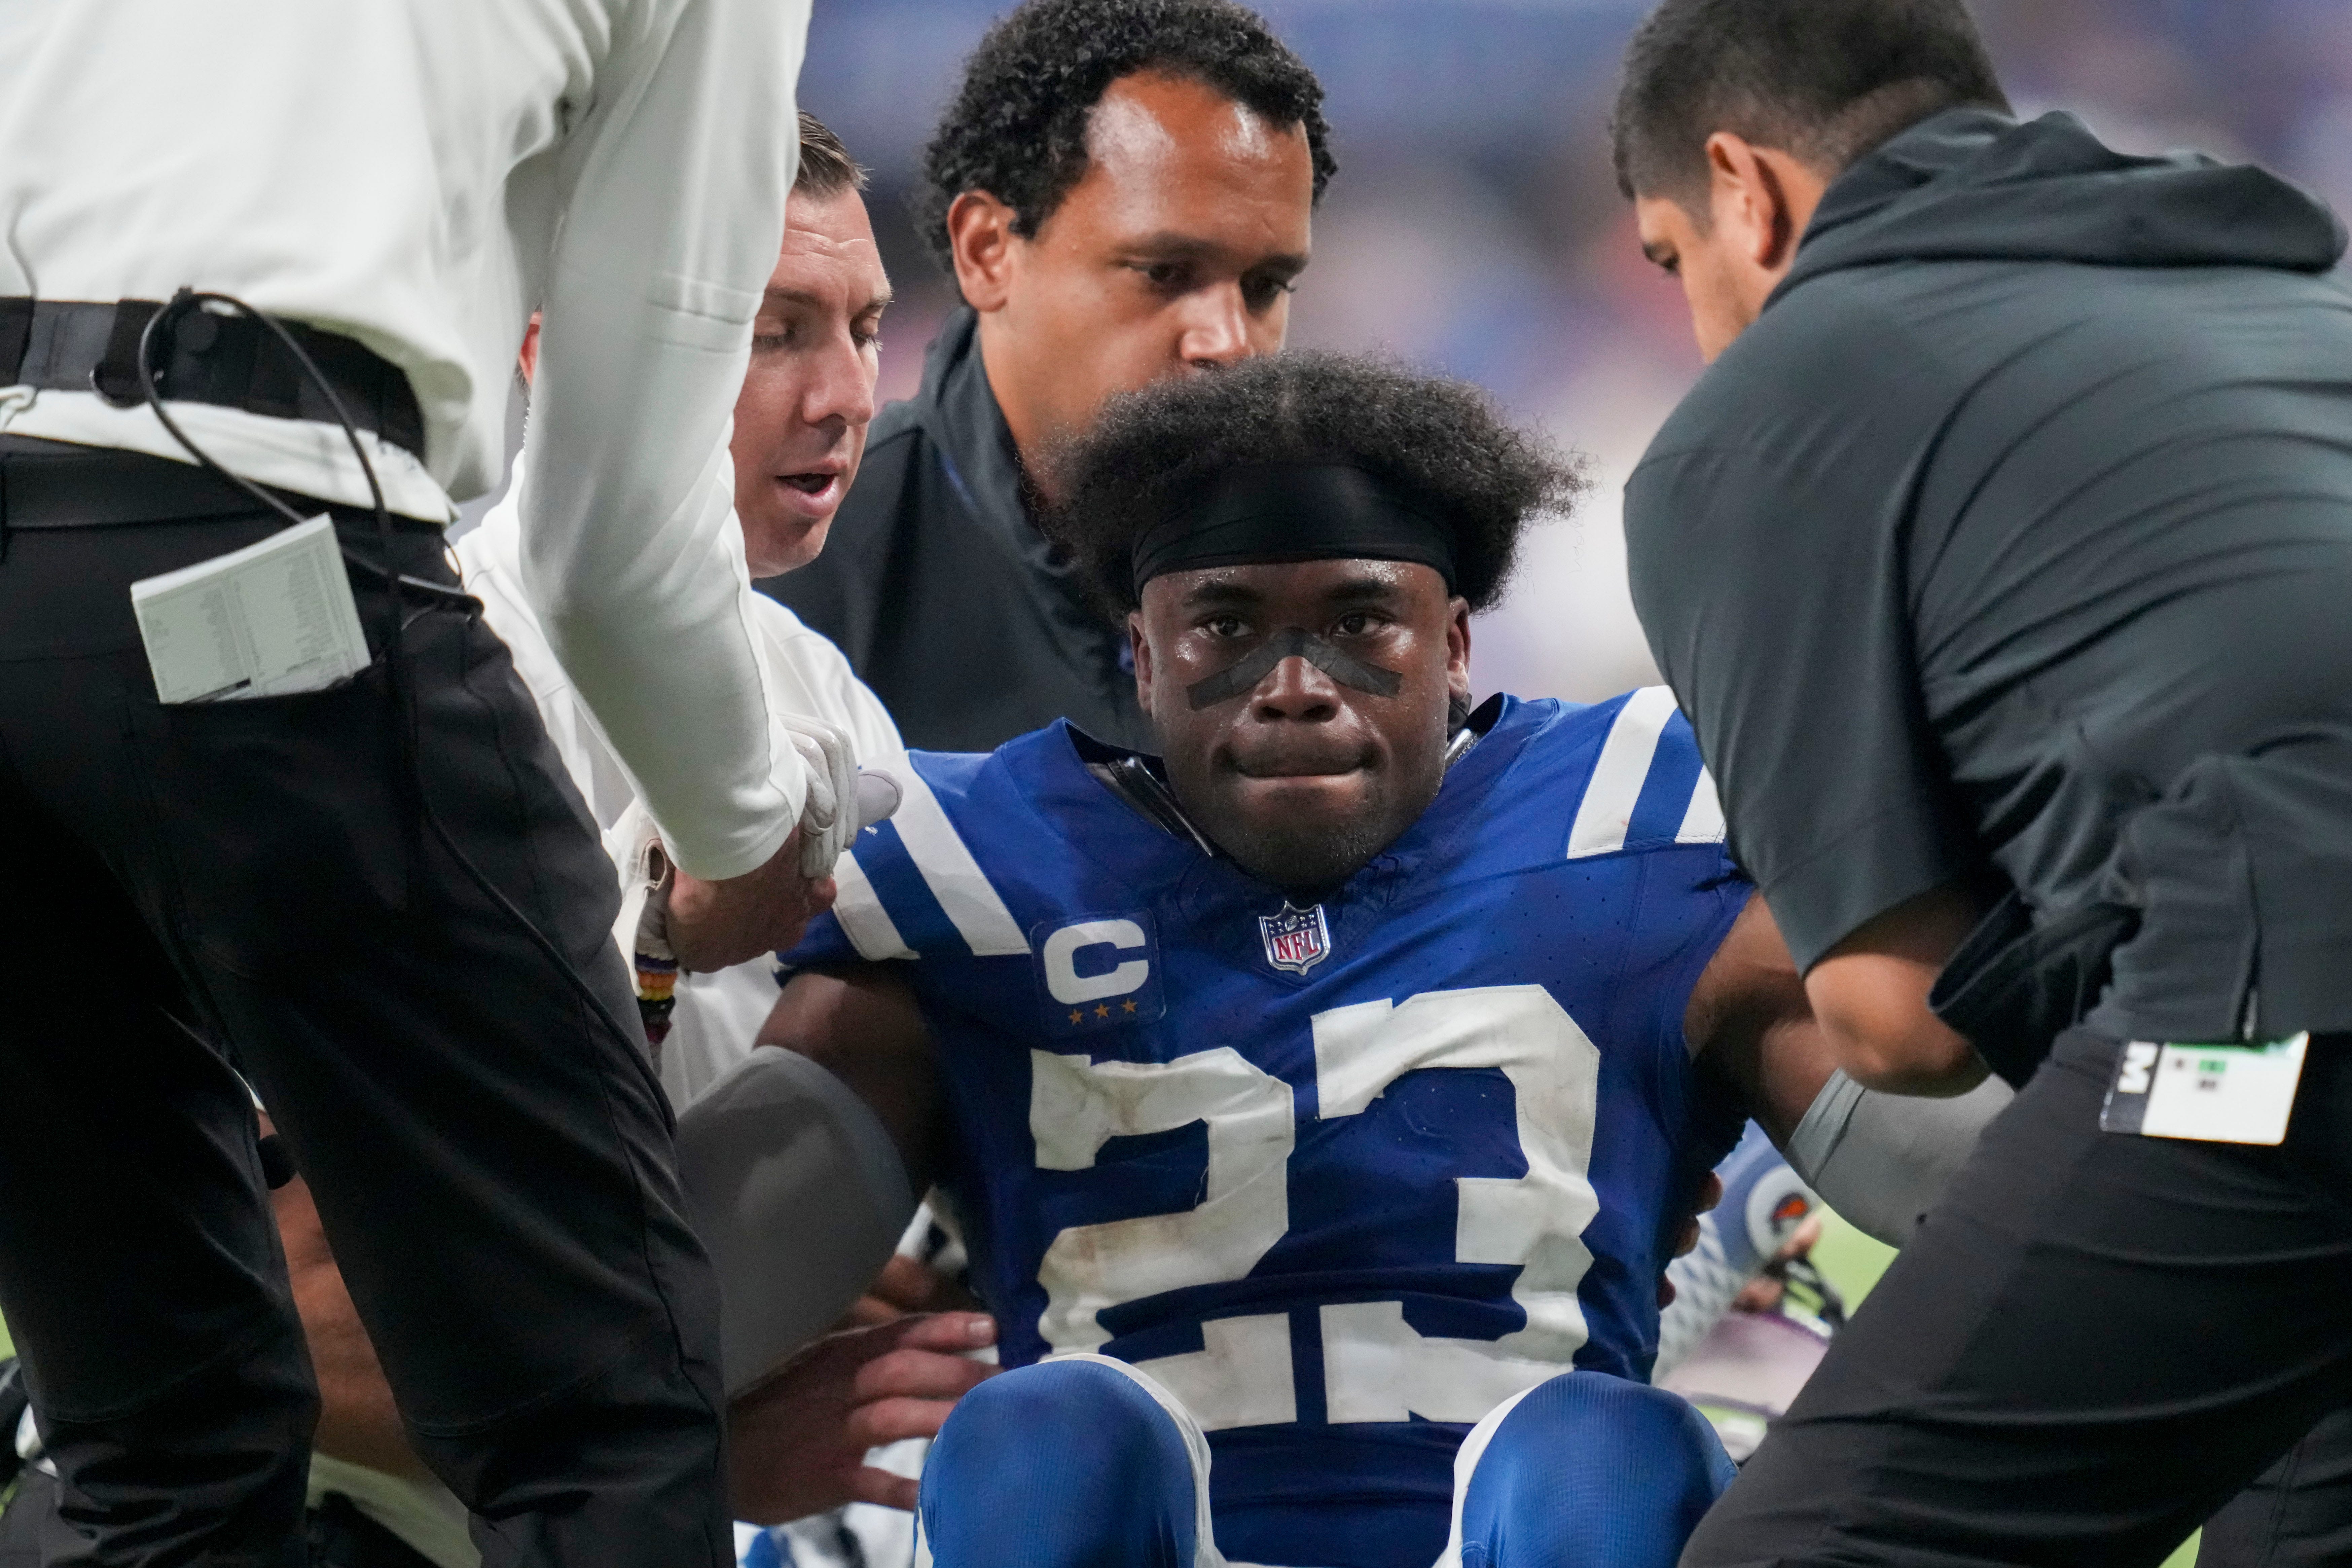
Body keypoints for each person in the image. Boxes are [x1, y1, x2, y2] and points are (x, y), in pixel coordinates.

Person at [739, 354, 2001, 1568]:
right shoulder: (970, 872)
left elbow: (1998, 1192)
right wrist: (703, 1434)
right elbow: (692, 1289)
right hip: (1139, 1535)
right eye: (1225, 625)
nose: (1295, 684)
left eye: (1359, 621)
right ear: (1143, 655)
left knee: (1604, 1448)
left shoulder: (1637, 829)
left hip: (1528, 1537)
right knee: (1044, 1437)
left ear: (1453, 645)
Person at [0, 1, 846, 1562]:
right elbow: (616, 554)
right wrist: (752, 821)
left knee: (159, 1451)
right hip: (259, 565)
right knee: (602, 1417)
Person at [1608, 1, 2352, 1563]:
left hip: (2283, 996)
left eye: (1673, 263)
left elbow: (1900, 1021)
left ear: (1742, 188)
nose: (1696, 321)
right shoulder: (2297, 298)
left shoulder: (1760, 417)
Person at [767, 0, 1331, 751]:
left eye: (1264, 287)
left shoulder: (1350, 567)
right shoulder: (797, 577)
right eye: (1165, 272)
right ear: (987, 251)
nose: (1228, 343)